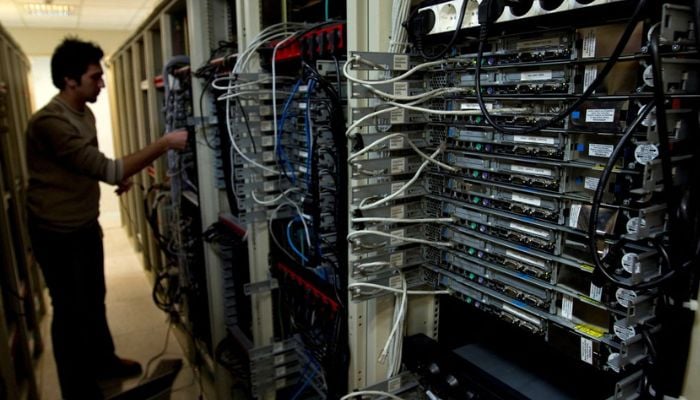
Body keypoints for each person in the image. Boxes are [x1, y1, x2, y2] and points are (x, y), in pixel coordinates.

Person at [25, 37, 188, 399]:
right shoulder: (50, 123)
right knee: (69, 311)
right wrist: (163, 144)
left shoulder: (83, 111)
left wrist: (115, 174)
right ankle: (78, 390)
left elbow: (91, 164)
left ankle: (104, 361)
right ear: (70, 80)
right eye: (95, 77)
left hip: (82, 222)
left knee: (94, 298)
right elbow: (105, 167)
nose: (101, 84)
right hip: (56, 232)